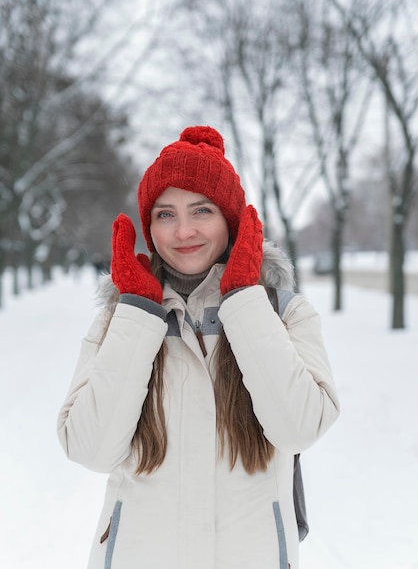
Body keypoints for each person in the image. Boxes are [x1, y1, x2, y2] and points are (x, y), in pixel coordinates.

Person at [57, 125, 340, 569]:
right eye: (165, 214)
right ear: (148, 226)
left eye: (202, 210)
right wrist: (135, 311)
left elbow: (299, 428)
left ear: (231, 218)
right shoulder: (121, 320)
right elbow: (90, 449)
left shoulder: (284, 313)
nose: (183, 230)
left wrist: (245, 299)